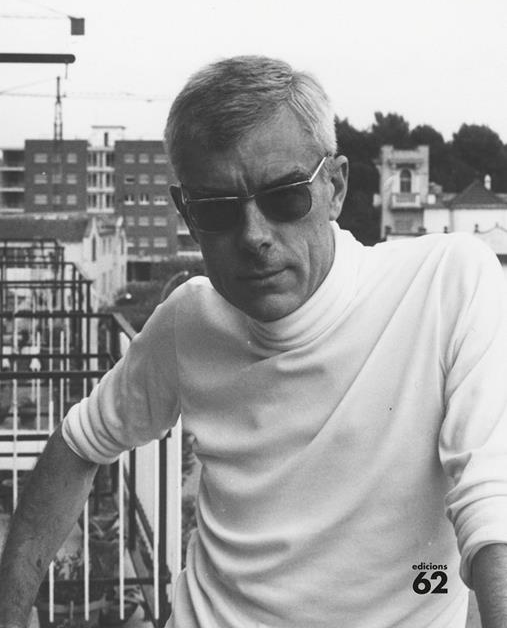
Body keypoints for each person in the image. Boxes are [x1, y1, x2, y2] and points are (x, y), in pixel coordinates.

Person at [1, 55, 507, 628]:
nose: (254, 236)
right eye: (217, 210)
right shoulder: (188, 319)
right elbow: (78, 445)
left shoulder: (447, 282)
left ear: (335, 186)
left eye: (285, 196)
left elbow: (491, 503)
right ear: (187, 215)